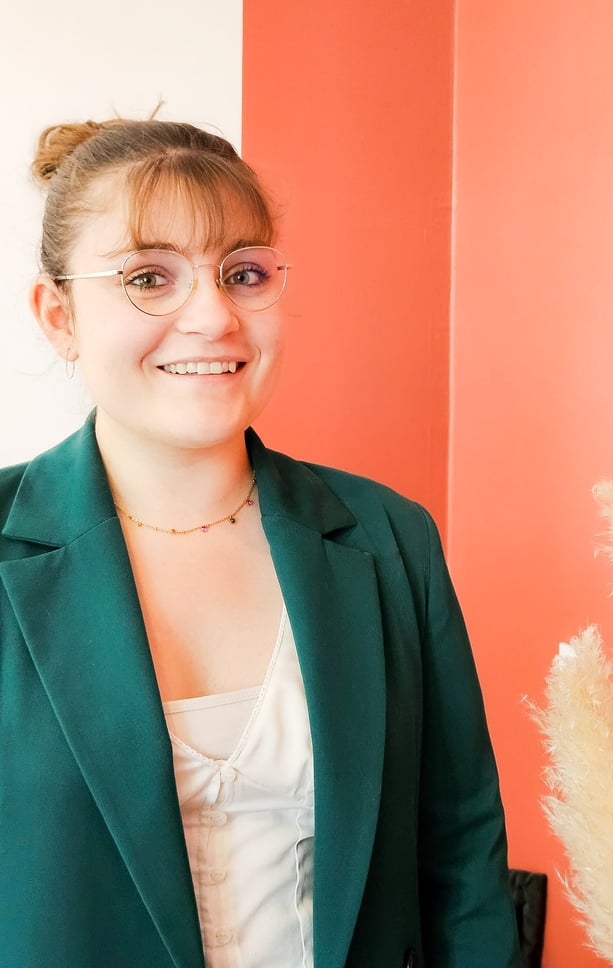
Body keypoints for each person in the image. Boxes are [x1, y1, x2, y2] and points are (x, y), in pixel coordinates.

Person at [0, 115, 521, 968]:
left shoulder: (391, 539)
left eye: (243, 273)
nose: (212, 317)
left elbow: (462, 864)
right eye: (147, 278)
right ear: (59, 316)